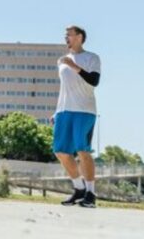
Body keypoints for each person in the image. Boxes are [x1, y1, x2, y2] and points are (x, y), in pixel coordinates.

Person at [52, 25, 101, 208]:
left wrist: (74, 66)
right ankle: (79, 189)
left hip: (85, 110)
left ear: (79, 37)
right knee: (61, 151)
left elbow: (94, 81)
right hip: (64, 110)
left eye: (69, 34)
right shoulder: (61, 61)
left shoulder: (92, 58)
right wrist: (57, 112)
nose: (66, 37)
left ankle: (91, 193)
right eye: (65, 34)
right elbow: (65, 88)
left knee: (82, 149)